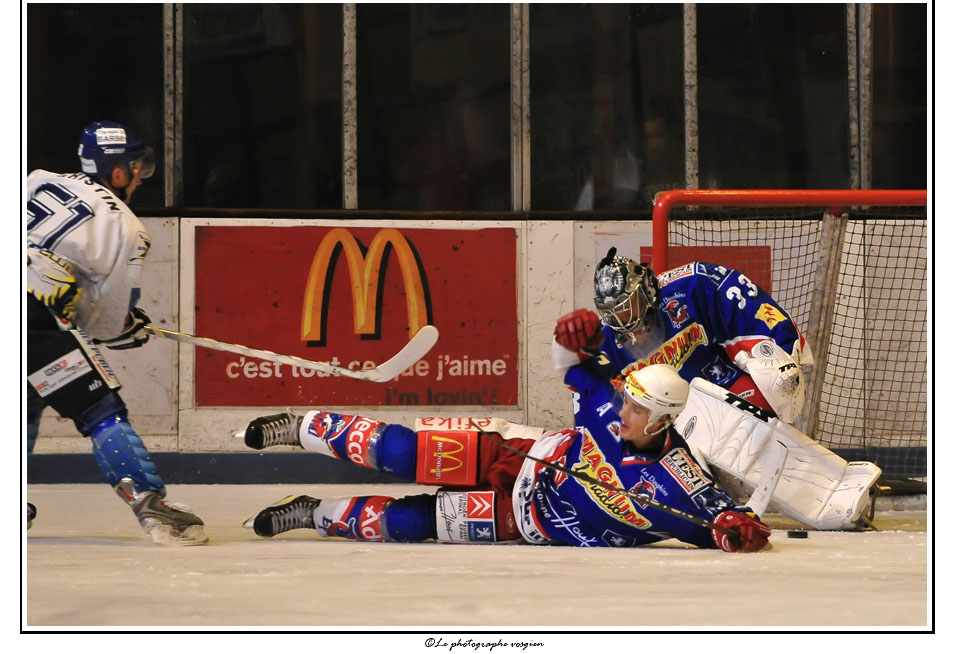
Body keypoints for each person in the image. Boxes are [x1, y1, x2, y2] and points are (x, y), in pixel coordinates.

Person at [241, 365, 770, 552]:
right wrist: (580, 352)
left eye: (636, 406)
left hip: (524, 521)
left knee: (408, 522)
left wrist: (736, 529)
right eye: (625, 399)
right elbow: (579, 371)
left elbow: (720, 519)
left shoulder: (677, 479)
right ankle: (302, 426)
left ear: (659, 421)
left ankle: (310, 513)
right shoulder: (609, 405)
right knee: (403, 451)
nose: (623, 408)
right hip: (517, 453)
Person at [551, 248, 881, 530]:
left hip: (720, 390)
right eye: (615, 313)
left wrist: (777, 357)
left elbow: (756, 315)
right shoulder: (604, 345)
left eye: (630, 307)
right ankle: (713, 495)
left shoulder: (690, 286)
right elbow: (606, 422)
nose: (625, 321)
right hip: (668, 428)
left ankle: (819, 480)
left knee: (773, 379)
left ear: (646, 290)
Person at [25, 121, 207, 545]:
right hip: (27, 315)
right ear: (119, 173)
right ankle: (150, 503)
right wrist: (128, 326)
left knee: (26, 396)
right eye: (137, 167)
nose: (141, 176)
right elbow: (105, 323)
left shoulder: (36, 179)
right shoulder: (125, 227)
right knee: (99, 408)